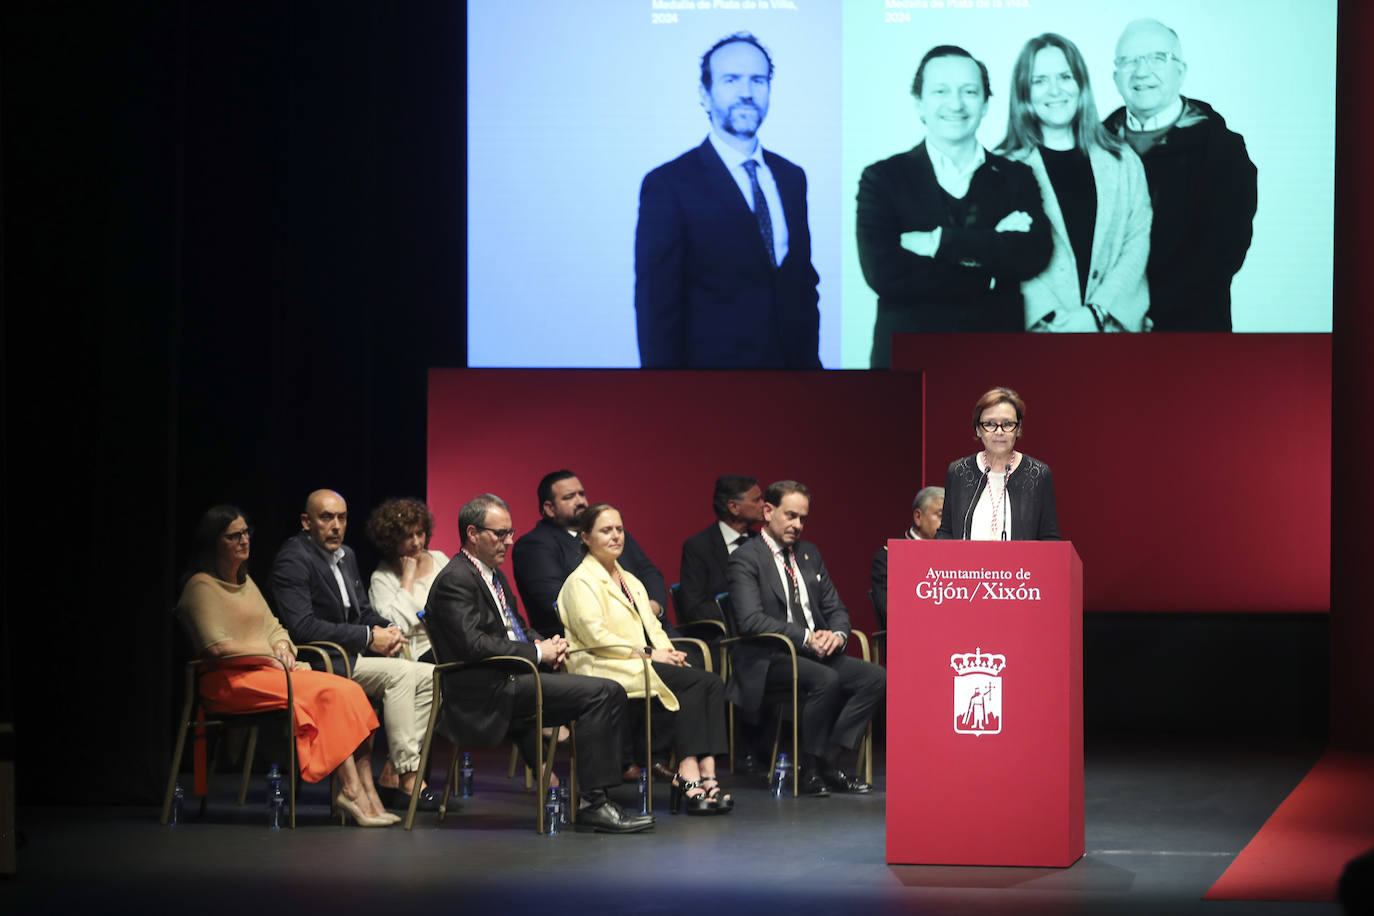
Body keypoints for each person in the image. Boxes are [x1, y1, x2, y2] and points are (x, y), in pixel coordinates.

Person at [425, 494, 656, 833]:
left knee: (605, 690)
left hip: (511, 675)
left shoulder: (493, 576)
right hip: (485, 687)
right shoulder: (456, 579)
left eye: (510, 532)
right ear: (472, 533)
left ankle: (593, 797)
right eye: (500, 533)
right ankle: (595, 802)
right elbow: (471, 645)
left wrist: (546, 643)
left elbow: (515, 626)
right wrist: (536, 653)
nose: (509, 541)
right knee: (604, 693)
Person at [177, 506, 395, 826]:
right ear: (214, 542)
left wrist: (281, 645)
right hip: (229, 682)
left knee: (347, 688)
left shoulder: (246, 582)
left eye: (246, 533)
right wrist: (270, 655)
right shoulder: (200, 586)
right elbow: (216, 646)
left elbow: (275, 627)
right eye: (233, 536)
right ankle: (350, 790)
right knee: (327, 693)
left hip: (266, 673)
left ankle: (367, 793)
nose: (244, 541)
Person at [857, 45, 1053, 367]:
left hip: (996, 362)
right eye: (940, 91)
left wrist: (937, 243)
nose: (956, 104)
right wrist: (990, 271)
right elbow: (884, 274)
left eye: (970, 91)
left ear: (986, 103)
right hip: (908, 363)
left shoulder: (1017, 177)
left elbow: (1034, 255)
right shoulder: (882, 178)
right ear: (919, 103)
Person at [635, 31, 821, 369]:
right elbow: (656, 307)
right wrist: (660, 398)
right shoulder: (669, 184)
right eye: (731, 80)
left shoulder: (792, 177)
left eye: (758, 81)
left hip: (795, 388)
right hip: (710, 394)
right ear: (705, 95)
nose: (746, 93)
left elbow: (802, 286)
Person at [271, 489, 439, 812]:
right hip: (320, 662)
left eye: (341, 518)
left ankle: (395, 767)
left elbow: (362, 611)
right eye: (326, 518)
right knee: (402, 674)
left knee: (432, 674)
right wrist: (366, 636)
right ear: (306, 522)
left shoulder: (345, 555)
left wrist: (387, 628)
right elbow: (302, 627)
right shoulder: (294, 559)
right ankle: (408, 775)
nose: (336, 525)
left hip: (351, 657)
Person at [559, 503, 733, 815]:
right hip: (602, 664)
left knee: (710, 682)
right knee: (693, 684)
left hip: (637, 660)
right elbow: (597, 638)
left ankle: (707, 774)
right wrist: (653, 654)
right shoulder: (579, 582)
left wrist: (670, 654)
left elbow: (653, 627)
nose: (616, 536)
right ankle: (689, 774)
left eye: (619, 529)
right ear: (585, 536)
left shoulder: (629, 580)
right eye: (605, 530)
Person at [726, 481, 887, 796]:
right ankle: (810, 769)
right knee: (825, 679)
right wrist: (806, 637)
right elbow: (750, 620)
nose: (797, 525)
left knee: (875, 677)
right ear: (768, 511)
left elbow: (835, 607)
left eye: (802, 518)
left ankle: (830, 759)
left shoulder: (809, 554)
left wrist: (837, 636)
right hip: (769, 659)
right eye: (790, 516)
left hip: (814, 655)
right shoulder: (746, 558)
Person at [1102, 19, 1256, 332]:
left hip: (1189, 333)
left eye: (1157, 58)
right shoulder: (1094, 146)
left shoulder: (1222, 149)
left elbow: (1223, 253)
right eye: (1129, 61)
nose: (1141, 72)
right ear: (1115, 76)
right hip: (1104, 332)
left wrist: (1145, 311)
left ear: (1181, 71)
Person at [996, 33, 1151, 333]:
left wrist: (1096, 314)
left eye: (1065, 76)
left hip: (1111, 335)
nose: (1054, 91)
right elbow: (1003, 253)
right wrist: (1052, 319)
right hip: (1036, 338)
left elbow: (1136, 244)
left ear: (1081, 84)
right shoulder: (1001, 167)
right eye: (1040, 80)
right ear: (1024, 92)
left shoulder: (1123, 160)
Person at [511, 470, 668, 638]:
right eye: (569, 497)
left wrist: (654, 606)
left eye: (581, 494)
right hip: (593, 642)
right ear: (549, 508)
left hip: (652, 628)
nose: (580, 501)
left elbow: (648, 571)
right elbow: (559, 602)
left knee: (692, 658)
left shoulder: (611, 533)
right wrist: (632, 614)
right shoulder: (534, 545)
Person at [935, 387, 1060, 541]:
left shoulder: (1038, 474)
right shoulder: (959, 471)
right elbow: (946, 531)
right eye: (990, 424)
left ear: (1018, 429)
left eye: (1007, 424)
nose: (999, 431)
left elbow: (1049, 537)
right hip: (966, 565)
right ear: (978, 429)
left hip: (1020, 565)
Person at [366, 497, 450, 663]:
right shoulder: (382, 578)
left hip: (449, 641)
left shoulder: (439, 559)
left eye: (419, 533)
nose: (416, 542)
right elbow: (394, 624)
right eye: (407, 536)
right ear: (392, 539)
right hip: (414, 653)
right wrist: (407, 578)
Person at [678, 475, 763, 624]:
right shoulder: (698, 547)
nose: (764, 505)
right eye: (756, 500)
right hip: (725, 638)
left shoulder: (761, 542)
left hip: (766, 630)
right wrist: (744, 608)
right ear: (734, 507)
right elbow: (694, 610)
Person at [870, 485, 944, 626]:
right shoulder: (888, 557)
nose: (946, 524)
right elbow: (890, 612)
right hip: (910, 634)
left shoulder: (953, 556)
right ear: (918, 516)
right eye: (940, 516)